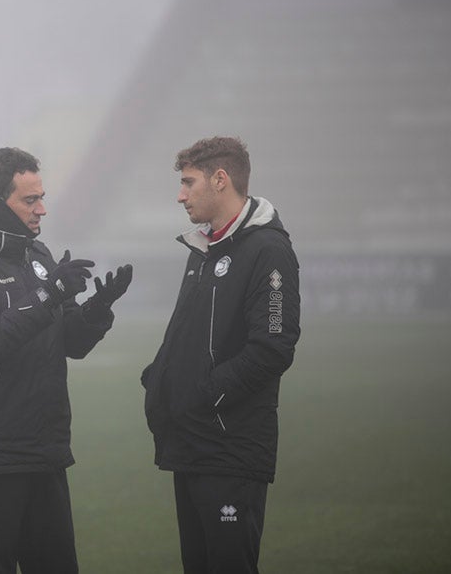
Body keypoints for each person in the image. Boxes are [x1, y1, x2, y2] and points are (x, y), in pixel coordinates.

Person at [0, 147, 133, 574]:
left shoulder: (37, 256)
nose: (42, 209)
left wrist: (97, 310)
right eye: (29, 200)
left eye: (42, 197)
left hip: (46, 451)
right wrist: (49, 295)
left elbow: (68, 343)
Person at [140, 136, 300, 574]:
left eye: (188, 183)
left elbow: (272, 347)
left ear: (221, 179)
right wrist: (161, 376)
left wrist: (203, 394)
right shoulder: (206, 248)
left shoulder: (268, 251)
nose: (180, 194)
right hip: (193, 443)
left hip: (230, 447)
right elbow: (192, 338)